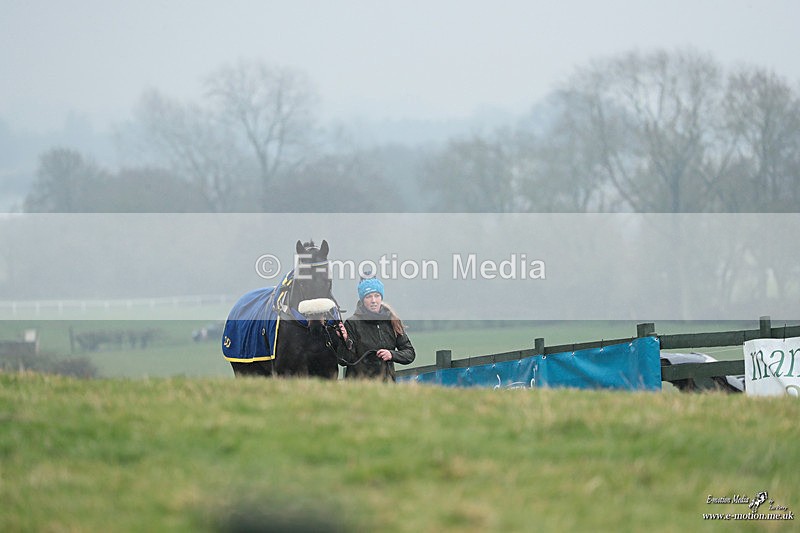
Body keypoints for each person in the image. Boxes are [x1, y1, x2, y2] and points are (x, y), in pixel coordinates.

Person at [336, 277, 415, 381]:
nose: (373, 300)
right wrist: (345, 340)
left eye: (377, 296)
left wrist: (392, 354)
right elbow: (344, 361)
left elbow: (410, 353)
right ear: (362, 300)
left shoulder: (392, 321)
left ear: (381, 298)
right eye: (368, 296)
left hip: (387, 385)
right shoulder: (352, 323)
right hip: (359, 386)